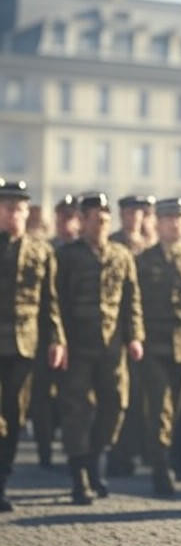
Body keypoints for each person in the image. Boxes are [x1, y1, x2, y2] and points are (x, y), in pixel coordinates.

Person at [57, 193, 145, 504]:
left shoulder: (121, 256)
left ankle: (95, 462)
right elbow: (58, 302)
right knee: (78, 410)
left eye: (105, 219)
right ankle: (80, 475)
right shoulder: (67, 256)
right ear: (82, 221)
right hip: (78, 346)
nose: (101, 225)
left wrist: (135, 337)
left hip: (112, 347)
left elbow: (131, 300)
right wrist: (59, 341)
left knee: (115, 406)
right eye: (95, 219)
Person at [0, 180, 66, 511]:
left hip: (24, 345)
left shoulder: (41, 252)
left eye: (20, 207)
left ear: (28, 212)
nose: (14, 213)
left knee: (14, 415)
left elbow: (50, 302)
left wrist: (57, 339)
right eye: (8, 206)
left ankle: (2, 479)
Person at [135, 197, 181, 496]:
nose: (175, 223)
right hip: (154, 346)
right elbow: (134, 305)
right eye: (169, 218)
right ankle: (161, 468)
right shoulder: (144, 261)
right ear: (157, 224)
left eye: (179, 218)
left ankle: (175, 458)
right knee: (160, 408)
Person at [29, 194, 80, 467]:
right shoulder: (47, 250)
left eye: (70, 217)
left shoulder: (84, 252)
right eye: (61, 218)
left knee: (72, 397)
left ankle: (72, 452)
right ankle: (44, 449)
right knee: (41, 397)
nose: (65, 224)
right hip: (45, 335)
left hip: (76, 336)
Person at [108, 193, 156, 476]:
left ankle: (137, 451)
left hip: (149, 330)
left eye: (139, 212)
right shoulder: (113, 243)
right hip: (118, 330)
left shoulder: (150, 246)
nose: (134, 217)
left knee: (143, 397)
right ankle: (118, 453)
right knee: (119, 395)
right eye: (129, 212)